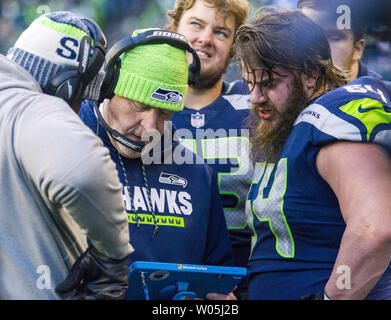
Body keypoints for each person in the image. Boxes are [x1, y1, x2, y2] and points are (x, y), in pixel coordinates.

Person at [235, 7, 391, 299]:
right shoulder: (288, 124)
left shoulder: (334, 114)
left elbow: (376, 228)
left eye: (268, 83)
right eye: (250, 82)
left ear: (310, 74)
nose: (255, 97)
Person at [79, 28, 234, 298]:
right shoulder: (66, 147)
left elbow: (217, 280)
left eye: (164, 113)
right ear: (108, 87)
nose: (149, 127)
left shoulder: (197, 174)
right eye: (139, 106)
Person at [0, 11, 134, 300]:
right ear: (66, 87)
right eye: (80, 98)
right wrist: (110, 259)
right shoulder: (35, 107)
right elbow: (83, 173)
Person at [165, 0, 252, 299]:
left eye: (221, 32)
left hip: (242, 283)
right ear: (174, 27)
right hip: (161, 277)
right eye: (196, 25)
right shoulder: (143, 106)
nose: (205, 39)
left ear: (234, 48)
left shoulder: (257, 104)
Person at [297, 0, 382, 82]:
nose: (315, 47)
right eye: (306, 34)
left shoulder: (383, 95)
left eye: (332, 37)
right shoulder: (288, 88)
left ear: (357, 49)